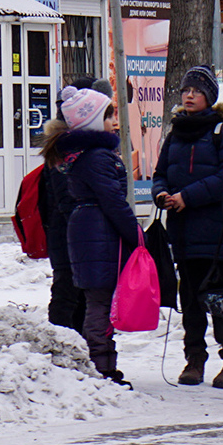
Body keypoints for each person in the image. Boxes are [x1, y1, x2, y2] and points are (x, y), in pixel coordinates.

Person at [152, 65, 223, 389]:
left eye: (197, 90)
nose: (189, 95)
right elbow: (160, 172)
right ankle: (194, 360)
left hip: (216, 233)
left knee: (219, 299)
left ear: (210, 97)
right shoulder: (176, 133)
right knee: (190, 300)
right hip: (183, 233)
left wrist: (186, 197)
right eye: (186, 90)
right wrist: (161, 193)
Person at [57, 88, 137, 385]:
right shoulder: (98, 157)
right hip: (99, 233)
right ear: (91, 122)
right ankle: (102, 366)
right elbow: (114, 201)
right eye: (109, 115)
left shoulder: (84, 155)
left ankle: (102, 362)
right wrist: (136, 234)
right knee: (100, 302)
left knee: (98, 301)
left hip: (90, 232)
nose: (115, 121)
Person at [39, 86, 91, 335]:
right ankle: (60, 350)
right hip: (65, 233)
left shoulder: (77, 145)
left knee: (79, 296)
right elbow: (65, 197)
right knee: (67, 293)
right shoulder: (62, 148)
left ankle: (77, 351)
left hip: (71, 232)